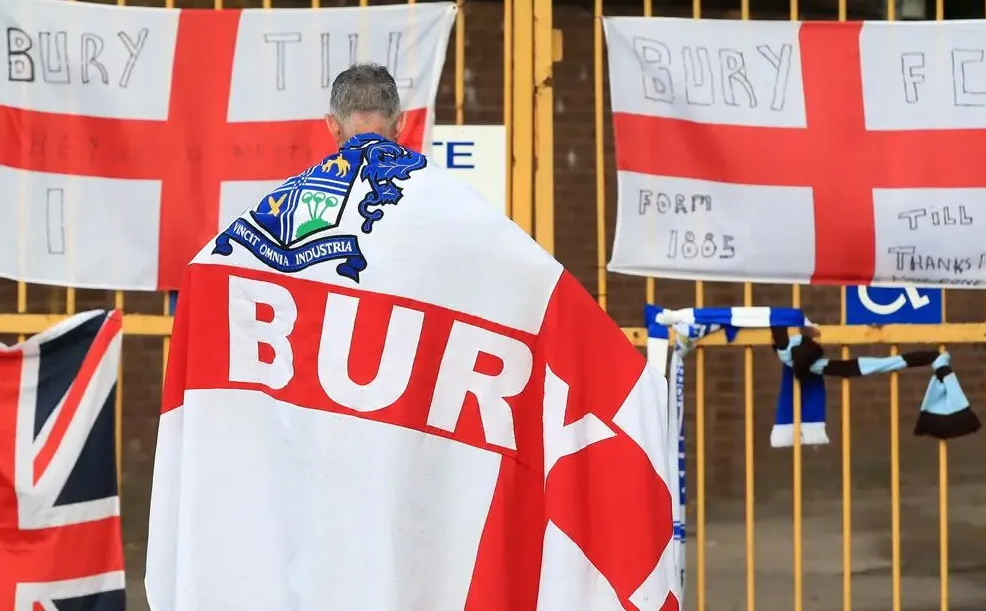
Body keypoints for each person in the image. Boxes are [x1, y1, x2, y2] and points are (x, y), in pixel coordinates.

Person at [146, 63, 680, 610]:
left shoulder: (268, 221)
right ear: (400, 122)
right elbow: (538, 290)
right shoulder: (456, 212)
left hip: (308, 473)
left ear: (332, 125)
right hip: (415, 472)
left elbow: (205, 280)